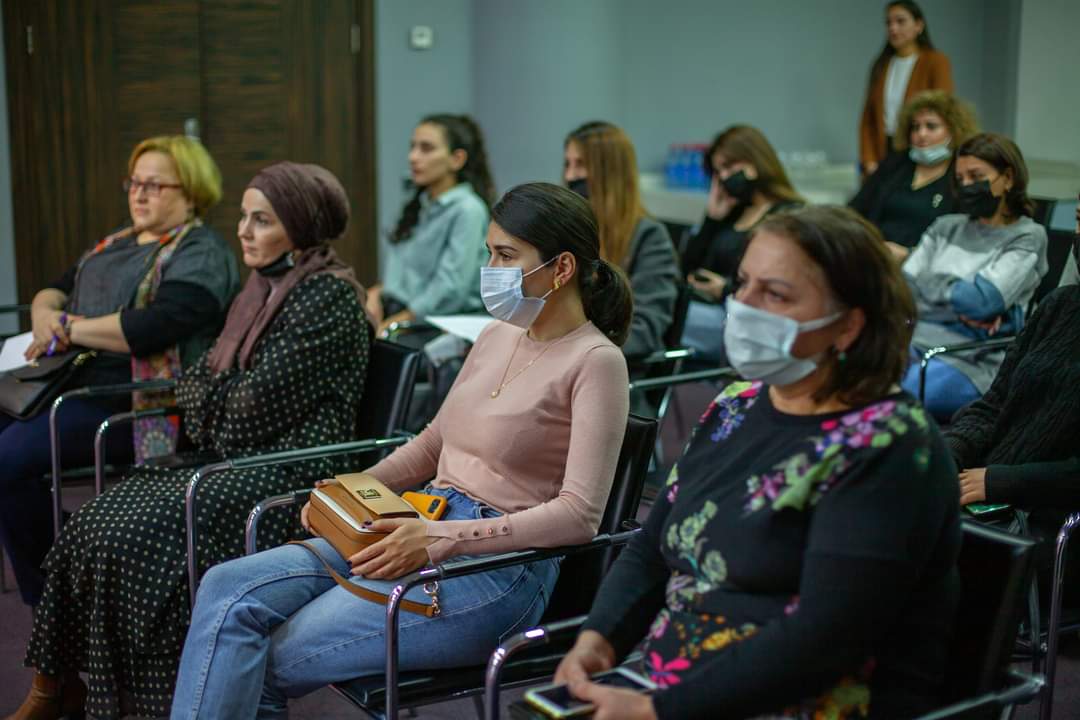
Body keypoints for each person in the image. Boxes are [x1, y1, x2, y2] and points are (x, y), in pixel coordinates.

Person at [169, 182, 633, 719]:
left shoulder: (596, 361)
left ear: (562, 268)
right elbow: (434, 443)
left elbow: (579, 517)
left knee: (264, 660)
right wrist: (352, 489)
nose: (491, 269)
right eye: (489, 253)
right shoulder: (497, 335)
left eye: (506, 256)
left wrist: (441, 539)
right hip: (418, 520)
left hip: (497, 569)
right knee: (226, 588)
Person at [554, 206, 960, 719]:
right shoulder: (736, 406)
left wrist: (659, 710)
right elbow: (652, 548)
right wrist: (600, 638)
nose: (742, 304)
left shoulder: (888, 446)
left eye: (776, 294)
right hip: (672, 687)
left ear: (848, 326)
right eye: (743, 282)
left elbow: (826, 638)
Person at [8, 162, 372, 720]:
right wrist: (216, 400)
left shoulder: (327, 298)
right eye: (244, 217)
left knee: (131, 537)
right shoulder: (261, 288)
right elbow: (198, 384)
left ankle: (141, 701)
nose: (243, 231)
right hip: (233, 458)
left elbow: (241, 414)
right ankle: (57, 685)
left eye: (262, 220)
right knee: (94, 523)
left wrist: (212, 401)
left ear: (300, 228)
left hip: (289, 474)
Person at [0, 135, 238, 606]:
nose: (139, 194)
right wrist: (44, 315)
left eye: (155, 185)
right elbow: (55, 288)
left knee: (7, 461)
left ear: (192, 192)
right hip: (72, 381)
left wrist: (70, 328)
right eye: (134, 183)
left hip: (136, 401)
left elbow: (153, 326)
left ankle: (53, 592)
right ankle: (74, 559)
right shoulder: (116, 242)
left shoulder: (201, 252)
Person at [946, 204, 1080, 604]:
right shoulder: (1060, 305)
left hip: (1053, 520)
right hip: (992, 494)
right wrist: (951, 452)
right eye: (1079, 218)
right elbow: (994, 404)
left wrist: (999, 481)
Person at [900, 133, 1048, 419]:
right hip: (911, 342)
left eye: (976, 176)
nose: (967, 185)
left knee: (894, 395)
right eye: (960, 178)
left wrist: (929, 287)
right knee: (850, 376)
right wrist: (957, 302)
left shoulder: (1027, 236)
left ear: (1008, 178)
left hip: (972, 360)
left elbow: (981, 303)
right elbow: (902, 291)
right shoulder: (945, 227)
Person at [680, 125, 803, 362]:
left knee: (668, 319)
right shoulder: (733, 212)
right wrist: (712, 218)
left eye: (729, 167)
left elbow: (782, 284)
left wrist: (725, 289)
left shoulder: (788, 215)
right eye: (718, 172)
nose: (725, 177)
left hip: (746, 318)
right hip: (707, 308)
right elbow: (687, 267)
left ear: (754, 161)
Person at [367, 113, 495, 336]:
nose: (413, 157)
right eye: (413, 147)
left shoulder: (468, 210)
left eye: (426, 149)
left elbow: (450, 288)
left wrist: (397, 322)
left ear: (457, 159)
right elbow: (407, 274)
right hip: (399, 312)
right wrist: (377, 293)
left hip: (435, 324)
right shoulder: (420, 204)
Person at [564, 121, 679, 361]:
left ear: (610, 173)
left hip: (609, 367)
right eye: (568, 164)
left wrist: (576, 350)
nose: (570, 176)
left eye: (581, 164)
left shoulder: (648, 237)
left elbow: (645, 330)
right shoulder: (567, 229)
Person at [851, 90, 978, 260]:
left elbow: (963, 240)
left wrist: (909, 254)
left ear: (954, 131)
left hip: (926, 264)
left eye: (931, 126)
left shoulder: (962, 175)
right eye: (915, 127)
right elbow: (856, 209)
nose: (921, 134)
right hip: (872, 255)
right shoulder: (896, 163)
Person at [859, 1, 953, 178]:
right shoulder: (881, 64)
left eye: (900, 21)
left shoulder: (935, 61)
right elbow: (868, 118)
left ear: (919, 25)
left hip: (917, 148)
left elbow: (943, 110)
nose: (893, 28)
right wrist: (869, 159)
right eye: (888, 23)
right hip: (883, 148)